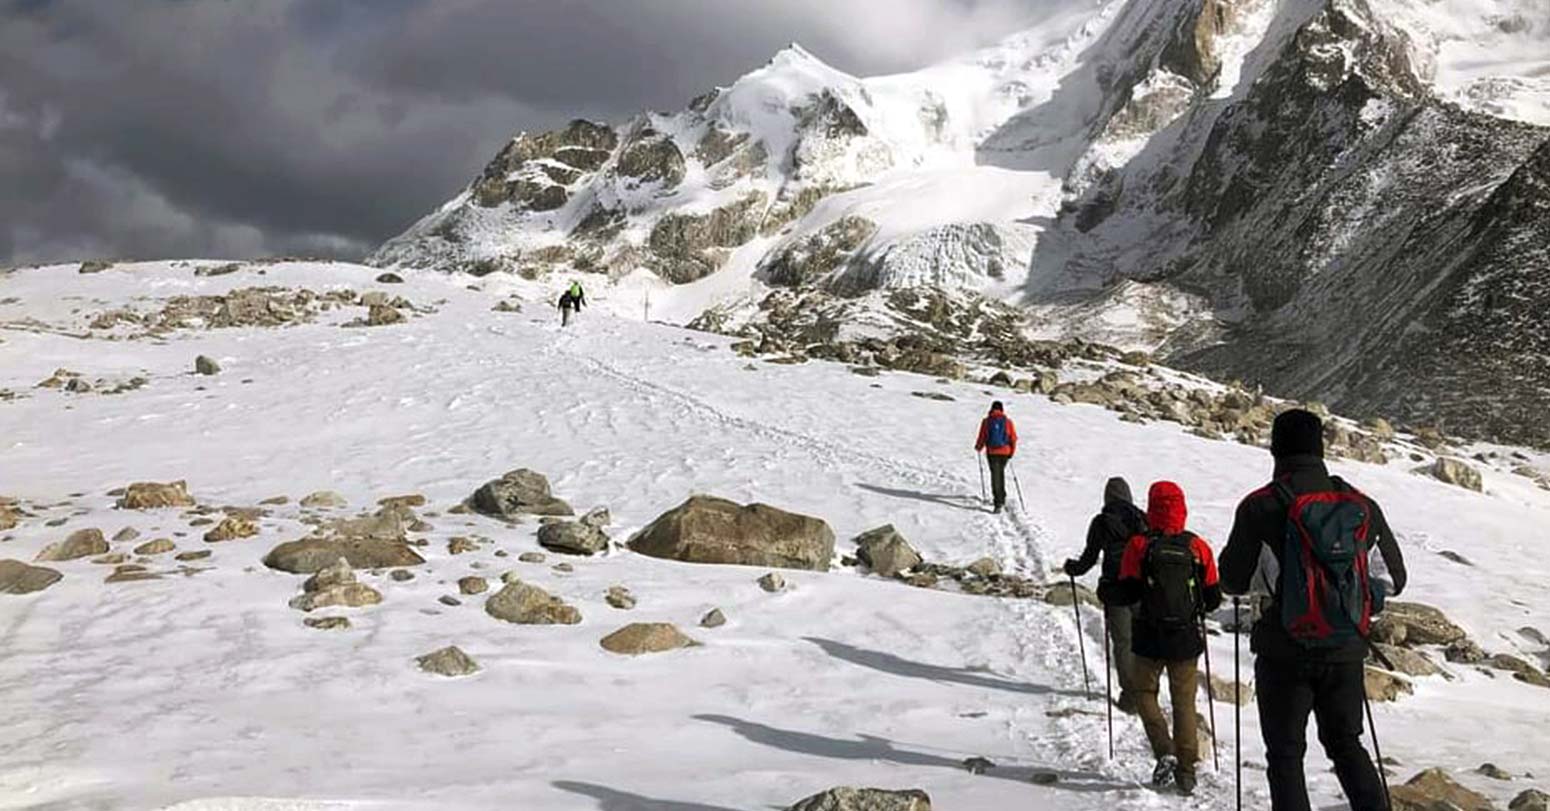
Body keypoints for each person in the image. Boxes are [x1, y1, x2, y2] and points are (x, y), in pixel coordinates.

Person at [1219, 409, 1407, 811]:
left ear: (1275, 449)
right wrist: (1354, 600)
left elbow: (1232, 581)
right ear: (1320, 448)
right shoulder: (1360, 504)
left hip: (1282, 650)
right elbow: (1396, 577)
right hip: (1344, 649)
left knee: (1286, 757)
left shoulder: (1260, 506)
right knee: (1346, 744)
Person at [1110, 480, 1222, 796]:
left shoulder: (1139, 545)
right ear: (1182, 508)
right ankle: (1187, 772)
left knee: (1143, 692)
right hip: (1185, 639)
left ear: (1151, 507)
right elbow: (1213, 597)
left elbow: (1129, 590)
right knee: (1183, 701)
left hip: (1148, 636)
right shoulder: (1197, 546)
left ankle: (1164, 749)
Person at [1063, 477, 1149, 713]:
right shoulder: (1142, 518)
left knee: (1123, 642)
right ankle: (1148, 692)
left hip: (1115, 588)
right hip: (1141, 588)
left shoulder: (1101, 522)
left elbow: (1090, 557)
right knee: (1144, 639)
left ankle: (1130, 697)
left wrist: (1074, 568)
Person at [973, 401, 1018, 513]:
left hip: (992, 452)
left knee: (995, 476)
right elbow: (1013, 438)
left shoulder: (987, 421)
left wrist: (979, 447)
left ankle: (998, 502)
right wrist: (1011, 452)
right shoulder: (1007, 422)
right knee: (1000, 474)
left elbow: (982, 436)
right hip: (1005, 452)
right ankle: (1001, 497)